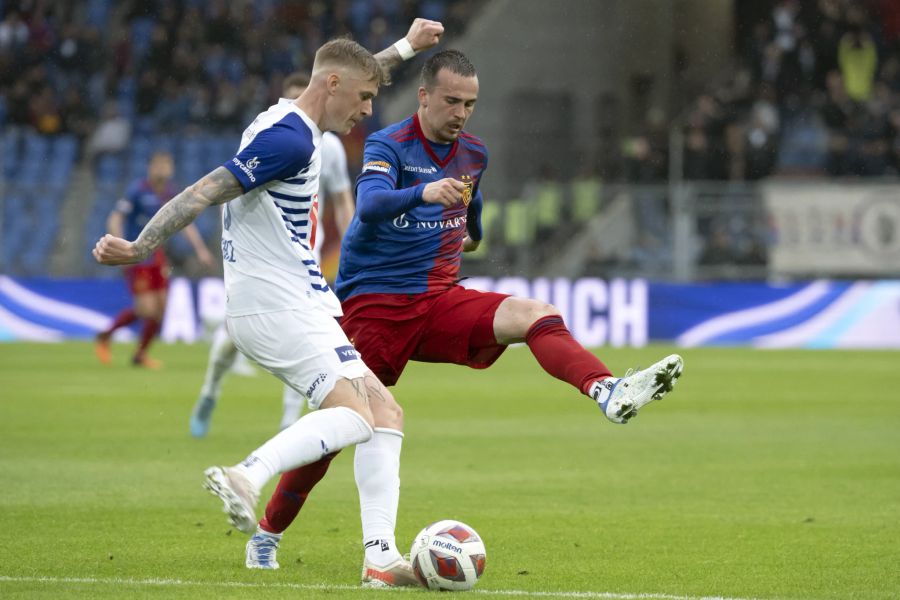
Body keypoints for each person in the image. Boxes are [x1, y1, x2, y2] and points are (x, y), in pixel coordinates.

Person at [243, 50, 685, 585]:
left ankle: (606, 390)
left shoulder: (474, 152)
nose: (460, 113)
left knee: (534, 314)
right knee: (344, 430)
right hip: (376, 308)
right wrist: (425, 193)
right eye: (451, 100)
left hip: (439, 300)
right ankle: (268, 532)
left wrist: (471, 225)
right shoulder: (389, 144)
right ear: (425, 96)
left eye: (470, 103)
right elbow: (374, 205)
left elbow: (473, 214)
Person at [92, 21, 445, 588]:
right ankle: (246, 475)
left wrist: (404, 48)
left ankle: (380, 559)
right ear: (331, 87)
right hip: (277, 305)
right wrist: (141, 245)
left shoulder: (286, 114)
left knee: (386, 416)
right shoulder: (291, 141)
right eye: (363, 98)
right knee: (356, 418)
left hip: (295, 301)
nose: (367, 110)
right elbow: (204, 189)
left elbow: (352, 68)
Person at [190, 72, 357, 437]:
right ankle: (210, 391)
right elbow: (231, 190)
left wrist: (354, 244)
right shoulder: (276, 137)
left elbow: (343, 200)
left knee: (310, 340)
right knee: (230, 343)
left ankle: (287, 423)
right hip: (263, 262)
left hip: (304, 260)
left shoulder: (329, 147)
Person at [95, 151, 214, 369]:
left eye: (167, 165)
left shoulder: (170, 193)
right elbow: (115, 217)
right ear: (150, 168)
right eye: (159, 165)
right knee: (146, 310)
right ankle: (106, 335)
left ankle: (140, 354)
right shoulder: (138, 191)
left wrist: (200, 250)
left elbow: (185, 222)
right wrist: (118, 245)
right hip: (136, 255)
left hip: (157, 256)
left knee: (161, 308)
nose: (163, 169)